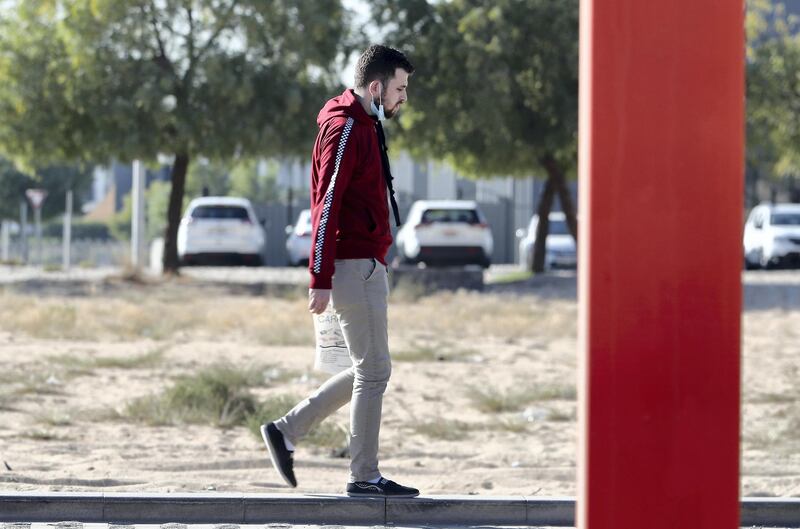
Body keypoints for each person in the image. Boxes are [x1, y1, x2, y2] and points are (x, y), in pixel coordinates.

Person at [260, 45, 418, 498]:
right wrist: (320, 276)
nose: (403, 98)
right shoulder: (348, 127)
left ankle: (287, 430)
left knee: (368, 368)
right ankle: (363, 476)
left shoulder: (361, 123)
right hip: (354, 264)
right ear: (376, 86)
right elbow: (326, 203)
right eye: (400, 88)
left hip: (363, 261)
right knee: (374, 372)